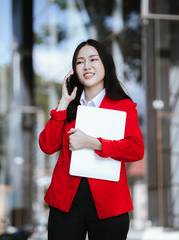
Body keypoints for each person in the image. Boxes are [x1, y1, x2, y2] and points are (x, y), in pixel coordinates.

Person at [39, 39, 144, 240]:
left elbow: (136, 149)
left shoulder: (123, 106)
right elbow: (47, 146)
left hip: (110, 204)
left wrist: (93, 142)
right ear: (74, 70)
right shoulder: (68, 107)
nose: (86, 66)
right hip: (65, 202)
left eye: (93, 59)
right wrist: (64, 101)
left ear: (105, 64)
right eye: (80, 62)